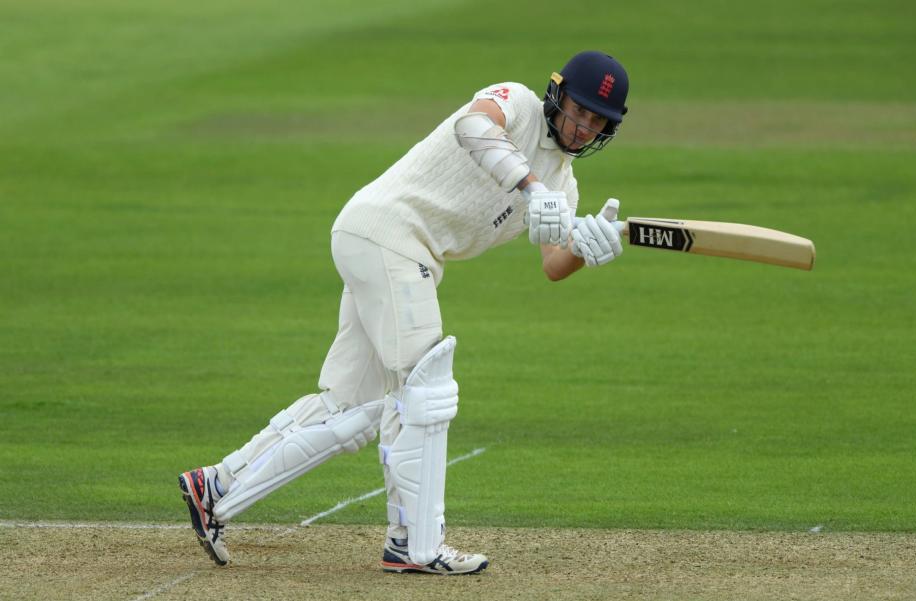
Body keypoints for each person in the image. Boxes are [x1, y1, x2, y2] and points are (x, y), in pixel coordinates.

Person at [178, 50, 629, 575]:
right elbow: (473, 124)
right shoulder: (519, 105)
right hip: (387, 234)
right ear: (557, 96)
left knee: (349, 407)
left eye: (597, 121)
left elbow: (554, 262)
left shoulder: (565, 185)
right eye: (579, 110)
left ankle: (214, 486)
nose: (583, 126)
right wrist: (529, 187)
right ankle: (416, 545)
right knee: (425, 388)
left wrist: (589, 245)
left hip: (389, 249)